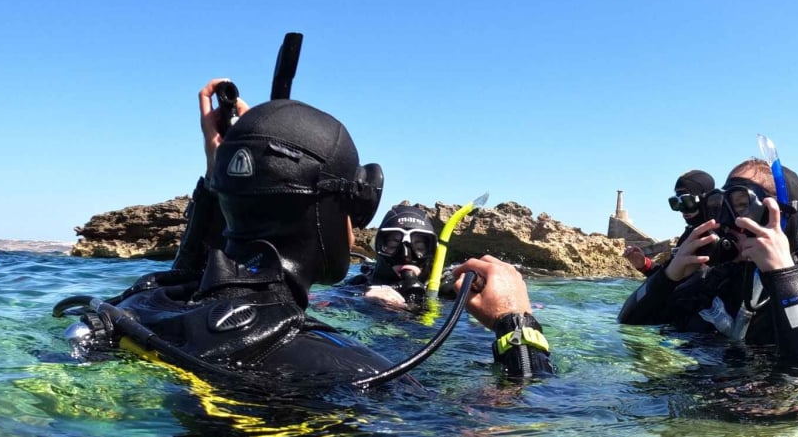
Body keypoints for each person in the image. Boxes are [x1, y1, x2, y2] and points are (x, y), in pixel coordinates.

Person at [59, 79, 551, 386]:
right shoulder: (353, 369)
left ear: (224, 200)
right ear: (339, 214)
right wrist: (517, 325)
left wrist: (224, 171)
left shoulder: (146, 304)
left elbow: (189, 270)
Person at [618, 158, 798, 364]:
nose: (728, 221)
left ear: (779, 215)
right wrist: (668, 276)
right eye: (723, 207)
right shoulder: (714, 284)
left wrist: (784, 277)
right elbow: (629, 323)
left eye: (742, 206)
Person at [345, 202, 440, 310]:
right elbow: (325, 305)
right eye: (393, 245)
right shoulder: (359, 285)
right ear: (378, 247)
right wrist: (364, 301)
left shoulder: (444, 289)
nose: (406, 256)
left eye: (419, 247)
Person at [622, 170, 718, 277]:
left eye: (687, 201)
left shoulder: (716, 237)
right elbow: (670, 278)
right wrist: (643, 264)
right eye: (676, 203)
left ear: (706, 199)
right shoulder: (690, 235)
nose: (682, 209)